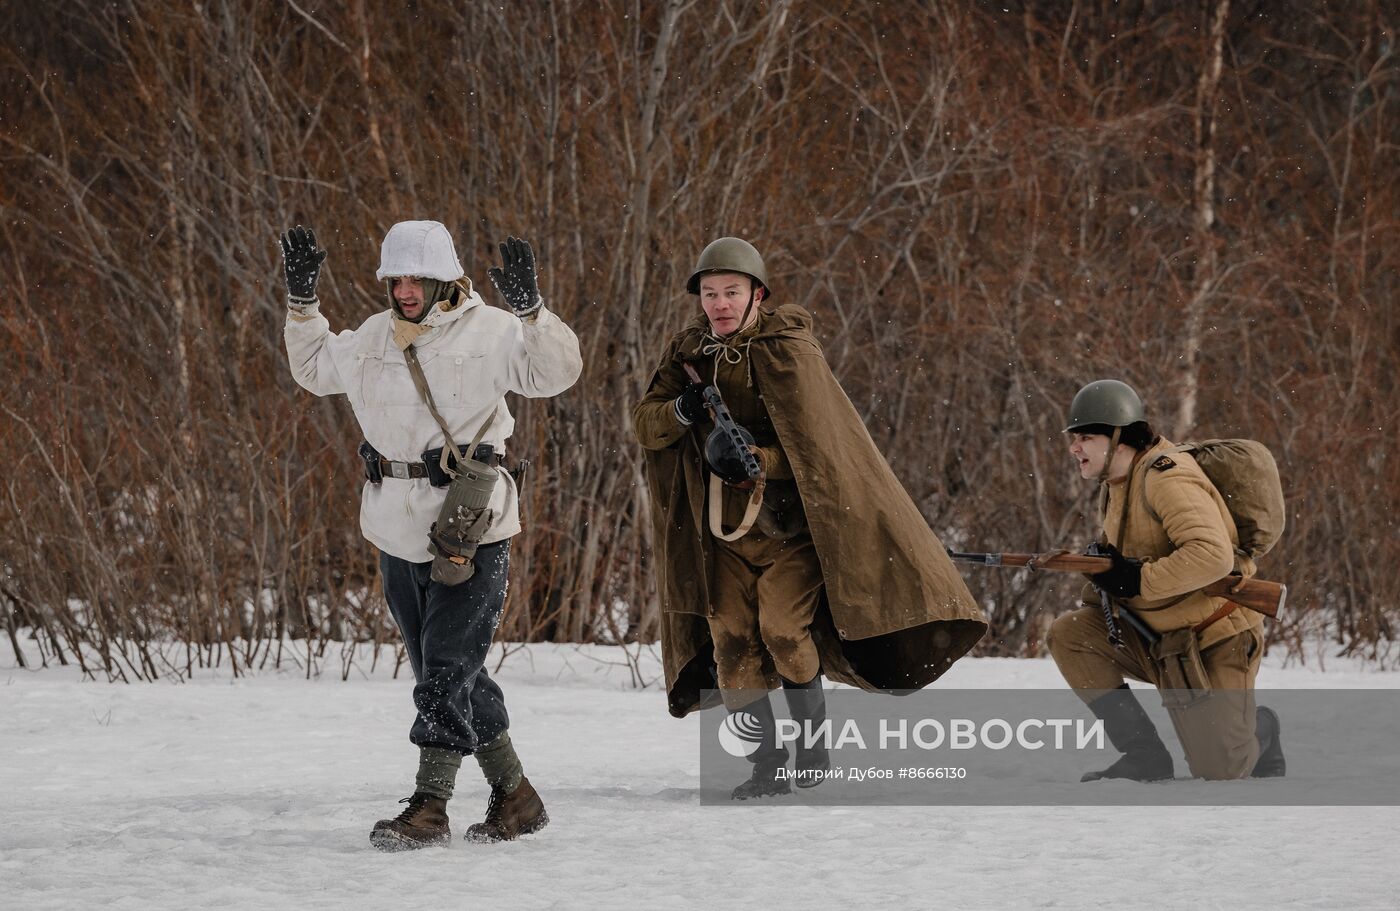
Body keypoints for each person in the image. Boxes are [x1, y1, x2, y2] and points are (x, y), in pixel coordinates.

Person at [632, 237, 986, 799]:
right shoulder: (688, 354)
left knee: (782, 631)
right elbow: (647, 425)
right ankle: (766, 764)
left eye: (731, 292)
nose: (719, 304)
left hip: (791, 531)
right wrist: (683, 410)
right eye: (709, 294)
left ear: (757, 294)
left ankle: (812, 745)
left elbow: (823, 450)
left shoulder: (788, 349)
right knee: (730, 643)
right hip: (720, 536)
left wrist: (757, 460)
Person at [279, 222, 582, 849]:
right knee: (447, 668)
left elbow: (555, 374)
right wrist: (303, 305)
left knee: (445, 669)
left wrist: (533, 311)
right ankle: (516, 797)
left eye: (417, 278)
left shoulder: (494, 329)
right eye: (396, 278)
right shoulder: (369, 336)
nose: (405, 289)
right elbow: (313, 369)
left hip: (471, 526)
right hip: (394, 525)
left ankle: (429, 806)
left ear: (447, 279)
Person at [1050, 379, 1285, 781]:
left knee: (1222, 769)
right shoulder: (1115, 484)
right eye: (1075, 438)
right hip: (1158, 638)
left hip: (1214, 638)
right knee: (1070, 634)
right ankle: (1143, 754)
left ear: (1119, 437)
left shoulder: (1167, 477)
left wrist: (1137, 580)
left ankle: (1261, 730)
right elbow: (1129, 565)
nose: (1074, 448)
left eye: (1085, 437)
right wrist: (1107, 574)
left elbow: (1212, 556)